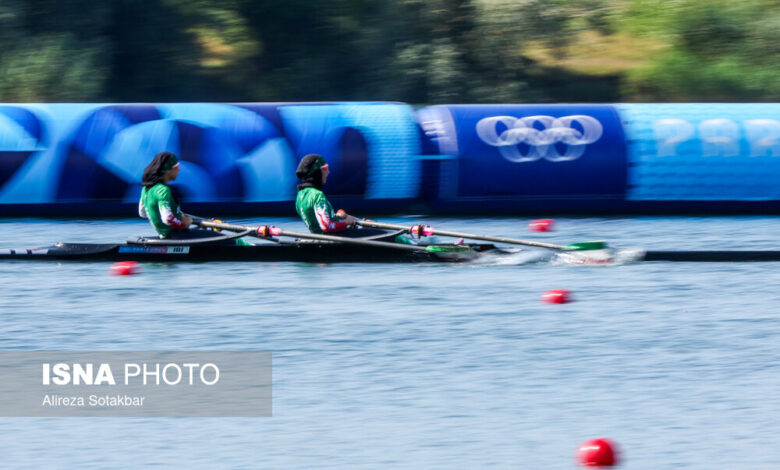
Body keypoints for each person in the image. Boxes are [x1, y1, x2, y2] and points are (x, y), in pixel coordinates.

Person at [138, 152, 251, 244]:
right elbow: (167, 219)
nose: (179, 170)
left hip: (168, 236)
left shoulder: (146, 189)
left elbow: (143, 213)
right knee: (229, 240)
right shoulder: (163, 190)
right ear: (168, 170)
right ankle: (248, 247)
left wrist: (177, 215)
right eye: (177, 167)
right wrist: (183, 223)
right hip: (178, 235)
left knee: (206, 232)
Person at [294, 154, 359, 234]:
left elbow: (316, 219)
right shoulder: (317, 195)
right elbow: (326, 226)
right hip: (335, 238)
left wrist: (337, 216)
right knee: (368, 228)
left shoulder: (300, 196)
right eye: (325, 168)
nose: (328, 172)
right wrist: (347, 222)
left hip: (320, 237)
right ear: (316, 172)